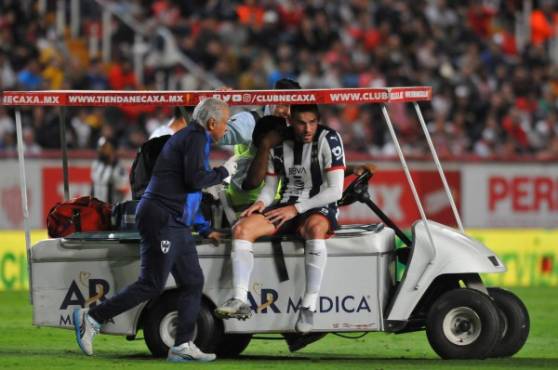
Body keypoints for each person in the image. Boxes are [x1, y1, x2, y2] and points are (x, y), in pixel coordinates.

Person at [73, 98, 237, 363]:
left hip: (173, 219)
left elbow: (188, 190)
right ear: (211, 123)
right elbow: (195, 181)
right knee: (151, 283)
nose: (227, 128)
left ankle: (182, 344)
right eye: (226, 122)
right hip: (161, 217)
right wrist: (223, 173)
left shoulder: (194, 137)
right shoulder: (195, 139)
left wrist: (203, 228)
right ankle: (92, 318)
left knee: (193, 281)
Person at [215, 104, 345, 334]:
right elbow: (271, 188)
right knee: (242, 228)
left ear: (318, 121)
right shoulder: (277, 145)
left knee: (314, 228)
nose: (307, 129)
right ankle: (239, 298)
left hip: (319, 206)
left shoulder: (330, 139)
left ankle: (309, 304)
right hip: (286, 205)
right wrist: (262, 203)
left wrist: (296, 209)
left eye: (312, 122)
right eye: (301, 123)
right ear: (291, 122)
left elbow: (335, 191)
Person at [90, 137, 128, 204]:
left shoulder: (119, 166)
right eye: (101, 147)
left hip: (111, 207)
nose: (101, 150)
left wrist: (113, 169)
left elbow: (123, 187)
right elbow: (93, 185)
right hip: (96, 206)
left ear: (112, 149)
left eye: (104, 147)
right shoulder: (96, 164)